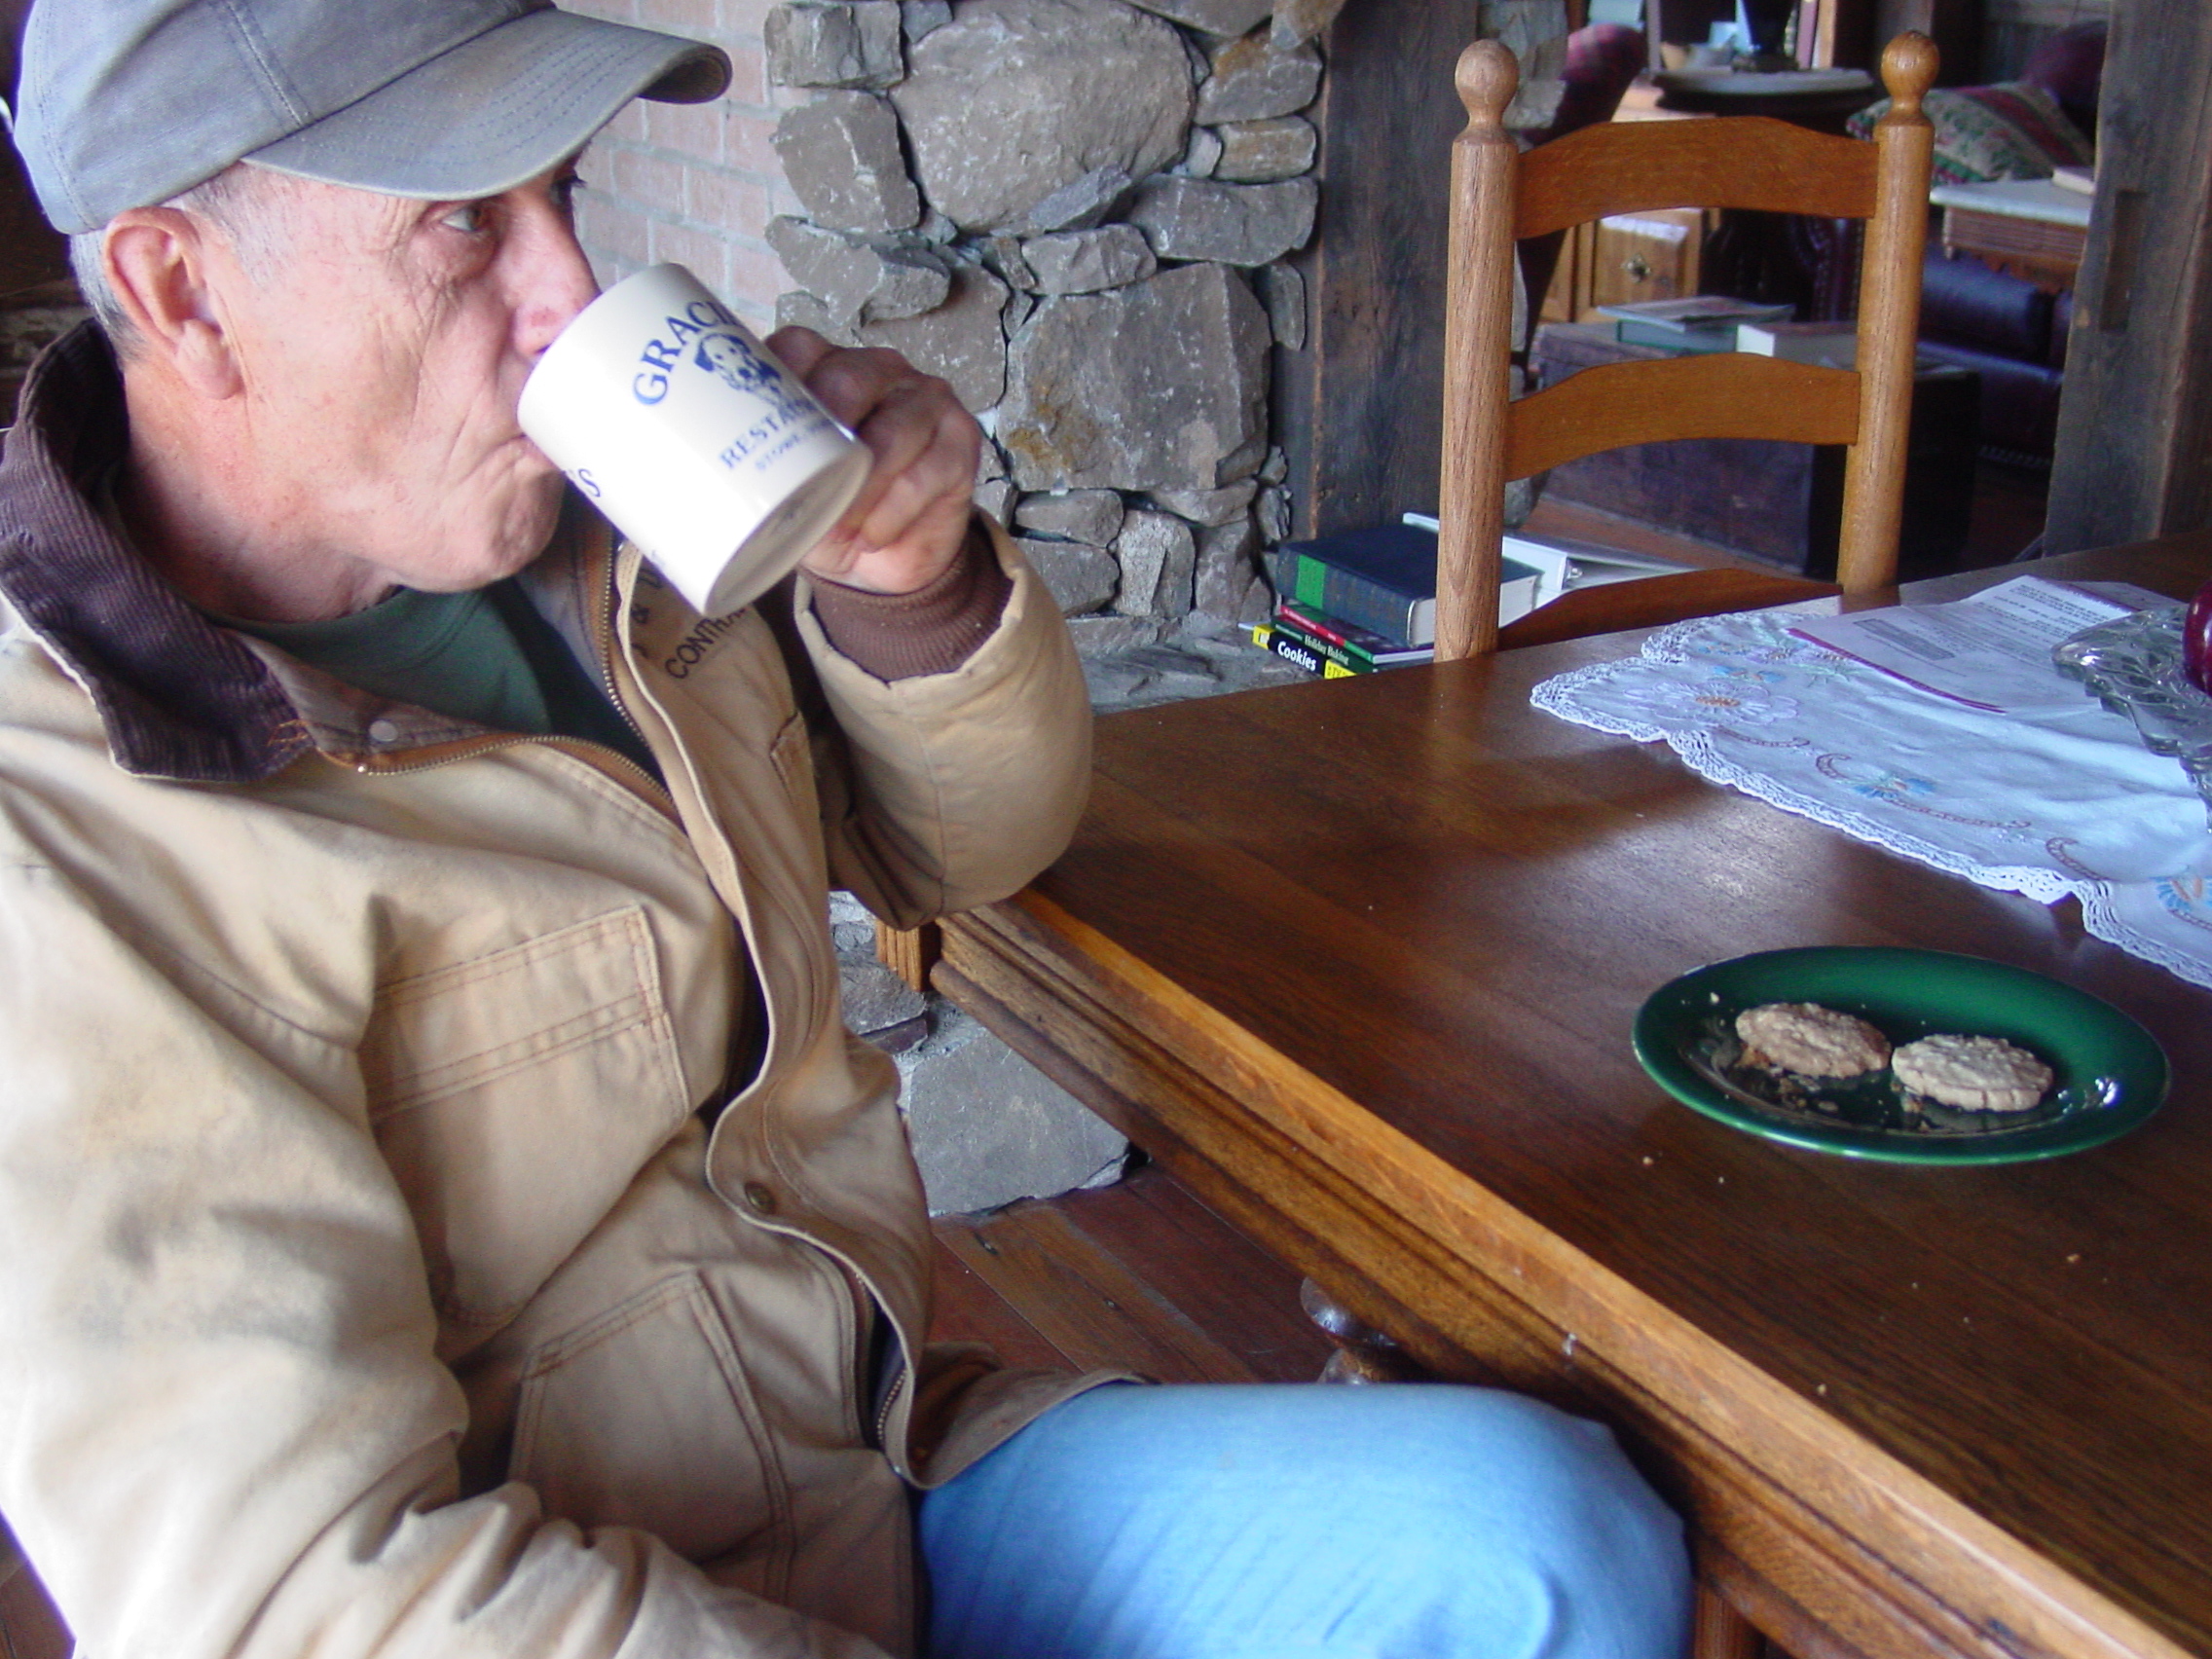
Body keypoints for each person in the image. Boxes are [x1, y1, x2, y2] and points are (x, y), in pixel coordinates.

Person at [0, 2, 1693, 1655]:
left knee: (1549, 1540)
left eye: (560, 192)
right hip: (588, 1582)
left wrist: (911, 587)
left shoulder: (608, 527)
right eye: (461, 223)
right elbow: (304, 1599)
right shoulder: (63, 836)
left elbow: (964, 854)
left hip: (877, 1465)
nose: (571, 292)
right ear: (182, 291)